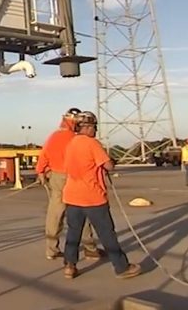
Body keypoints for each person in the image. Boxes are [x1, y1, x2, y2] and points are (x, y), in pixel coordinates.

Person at [61, 111, 141, 279]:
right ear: (88, 127)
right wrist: (111, 161)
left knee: (73, 232)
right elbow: (108, 166)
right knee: (106, 233)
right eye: (94, 127)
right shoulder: (92, 144)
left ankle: (70, 265)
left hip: (72, 196)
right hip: (92, 196)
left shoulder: (71, 144)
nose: (95, 131)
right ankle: (121, 267)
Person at [36, 108, 103, 261]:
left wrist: (40, 172)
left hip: (56, 177)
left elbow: (44, 154)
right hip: (74, 176)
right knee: (81, 212)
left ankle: (51, 249)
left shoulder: (54, 136)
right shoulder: (78, 139)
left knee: (55, 214)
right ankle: (90, 248)